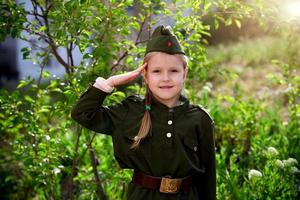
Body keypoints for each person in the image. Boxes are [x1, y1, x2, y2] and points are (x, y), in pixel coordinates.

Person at [71, 25, 216, 200]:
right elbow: (83, 113)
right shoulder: (131, 111)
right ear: (145, 75)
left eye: (174, 71)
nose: (165, 78)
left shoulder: (199, 118)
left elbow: (208, 177)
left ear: (184, 73)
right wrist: (110, 82)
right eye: (156, 71)